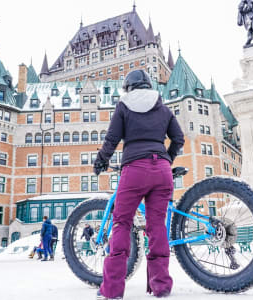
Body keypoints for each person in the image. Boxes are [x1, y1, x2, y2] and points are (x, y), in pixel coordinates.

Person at [94, 70, 185, 299]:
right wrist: (167, 159)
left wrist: (101, 161)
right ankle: (161, 285)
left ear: (128, 87)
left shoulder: (123, 106)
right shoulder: (162, 107)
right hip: (161, 172)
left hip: (134, 170)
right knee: (157, 226)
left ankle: (112, 289)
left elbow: (112, 139)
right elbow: (179, 138)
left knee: (122, 223)